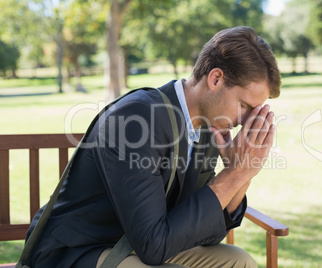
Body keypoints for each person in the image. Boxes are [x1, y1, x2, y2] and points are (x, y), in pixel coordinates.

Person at [25, 26, 281, 267]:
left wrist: (242, 172)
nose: (247, 121)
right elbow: (153, 245)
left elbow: (202, 232)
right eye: (245, 105)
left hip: (133, 244)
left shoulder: (207, 128)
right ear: (216, 79)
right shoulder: (136, 120)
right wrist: (234, 174)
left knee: (238, 261)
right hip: (78, 251)